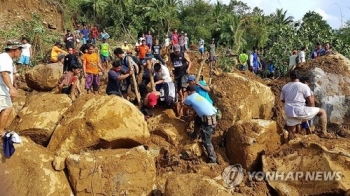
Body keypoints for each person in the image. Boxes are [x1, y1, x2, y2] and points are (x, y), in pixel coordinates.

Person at [280, 70, 330, 141]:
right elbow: (311, 102)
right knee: (322, 112)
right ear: (299, 77)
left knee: (291, 131)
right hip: (300, 110)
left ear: (290, 77)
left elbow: (282, 100)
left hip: (289, 111)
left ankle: (290, 147)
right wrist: (311, 112)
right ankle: (323, 132)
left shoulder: (285, 87)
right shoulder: (304, 86)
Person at [184, 85, 218, 163]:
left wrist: (187, 119)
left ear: (189, 92)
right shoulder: (198, 96)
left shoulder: (189, 98)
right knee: (197, 119)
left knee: (206, 140)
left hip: (208, 119)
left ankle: (213, 159)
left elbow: (186, 108)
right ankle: (195, 134)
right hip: (213, 115)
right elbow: (196, 110)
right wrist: (190, 119)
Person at [0, 41, 22, 137]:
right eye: (20, 50)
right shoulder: (5, 58)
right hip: (2, 88)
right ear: (14, 50)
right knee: (7, 108)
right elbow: (4, 73)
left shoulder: (8, 59)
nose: (20, 52)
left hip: (3, 88)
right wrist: (11, 88)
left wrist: (14, 84)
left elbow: (11, 74)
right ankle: (1, 131)